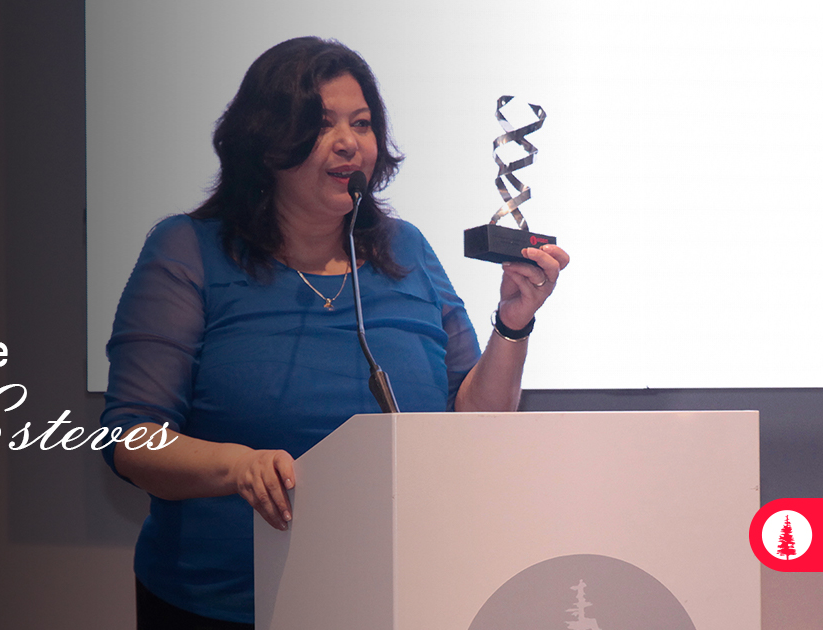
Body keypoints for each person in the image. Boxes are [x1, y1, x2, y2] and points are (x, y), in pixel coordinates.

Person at [100, 37, 570, 629]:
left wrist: (513, 323)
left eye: (362, 123)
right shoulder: (188, 251)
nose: (350, 141)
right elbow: (131, 440)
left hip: (396, 596)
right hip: (226, 605)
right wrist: (237, 467)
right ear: (266, 142)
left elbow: (473, 421)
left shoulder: (406, 250)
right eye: (323, 124)